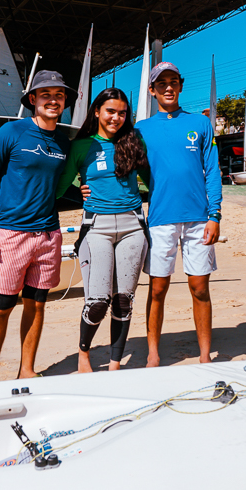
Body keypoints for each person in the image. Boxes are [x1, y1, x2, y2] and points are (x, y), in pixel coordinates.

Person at [0, 70, 74, 382]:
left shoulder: (63, 141)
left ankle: (26, 370)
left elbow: (60, 184)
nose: (53, 100)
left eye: (58, 95)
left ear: (64, 100)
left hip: (48, 235)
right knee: (1, 307)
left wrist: (82, 191)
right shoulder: (11, 132)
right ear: (33, 100)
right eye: (46, 95)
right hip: (11, 234)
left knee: (37, 305)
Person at [56, 88, 149, 372]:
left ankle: (114, 363)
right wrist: (78, 193)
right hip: (97, 227)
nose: (116, 118)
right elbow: (59, 187)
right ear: (97, 111)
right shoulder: (82, 145)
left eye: (122, 113)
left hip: (133, 226)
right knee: (97, 300)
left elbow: (152, 181)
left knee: (124, 300)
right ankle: (84, 353)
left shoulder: (134, 140)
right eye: (111, 111)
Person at [135, 62, 221, 367]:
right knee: (158, 288)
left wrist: (215, 215)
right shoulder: (140, 129)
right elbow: (132, 169)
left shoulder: (200, 124)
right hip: (159, 218)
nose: (168, 88)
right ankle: (153, 354)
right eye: (161, 84)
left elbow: (212, 171)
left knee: (199, 288)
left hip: (199, 219)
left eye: (173, 82)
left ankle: (204, 355)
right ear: (152, 90)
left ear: (181, 86)